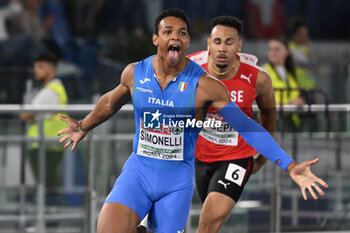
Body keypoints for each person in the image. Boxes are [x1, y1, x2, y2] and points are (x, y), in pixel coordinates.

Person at [57, 8, 327, 233]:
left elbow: (247, 126)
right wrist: (83, 125)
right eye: (168, 32)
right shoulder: (135, 73)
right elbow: (110, 102)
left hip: (176, 181)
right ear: (155, 39)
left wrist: (289, 165)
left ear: (187, 43)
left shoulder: (205, 86)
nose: (175, 37)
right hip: (138, 172)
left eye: (182, 33)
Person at [186, 16, 275, 233]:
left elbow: (269, 113)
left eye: (229, 42)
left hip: (237, 158)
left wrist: (262, 158)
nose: (223, 48)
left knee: (207, 222)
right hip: (200, 157)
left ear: (239, 45)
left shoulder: (258, 78)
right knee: (210, 224)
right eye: (217, 42)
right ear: (209, 44)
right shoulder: (188, 70)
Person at [21, 52, 68, 204]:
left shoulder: (50, 91)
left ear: (52, 69)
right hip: (48, 145)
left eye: (41, 67)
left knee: (47, 185)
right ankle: (49, 219)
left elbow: (26, 114)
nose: (36, 70)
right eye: (35, 67)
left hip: (45, 146)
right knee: (49, 184)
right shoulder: (51, 89)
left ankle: (49, 221)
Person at [264, 37, 304, 128]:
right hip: (271, 123)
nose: (272, 52)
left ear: (287, 52)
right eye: (270, 49)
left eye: (277, 49)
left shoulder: (290, 75)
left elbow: (294, 96)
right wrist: (290, 104)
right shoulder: (263, 72)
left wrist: (299, 101)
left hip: (290, 124)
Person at [288, 18, 316, 90]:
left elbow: (315, 62)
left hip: (310, 85)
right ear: (295, 35)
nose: (305, 37)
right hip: (298, 86)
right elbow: (305, 62)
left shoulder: (305, 47)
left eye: (306, 34)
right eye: (302, 35)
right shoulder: (290, 48)